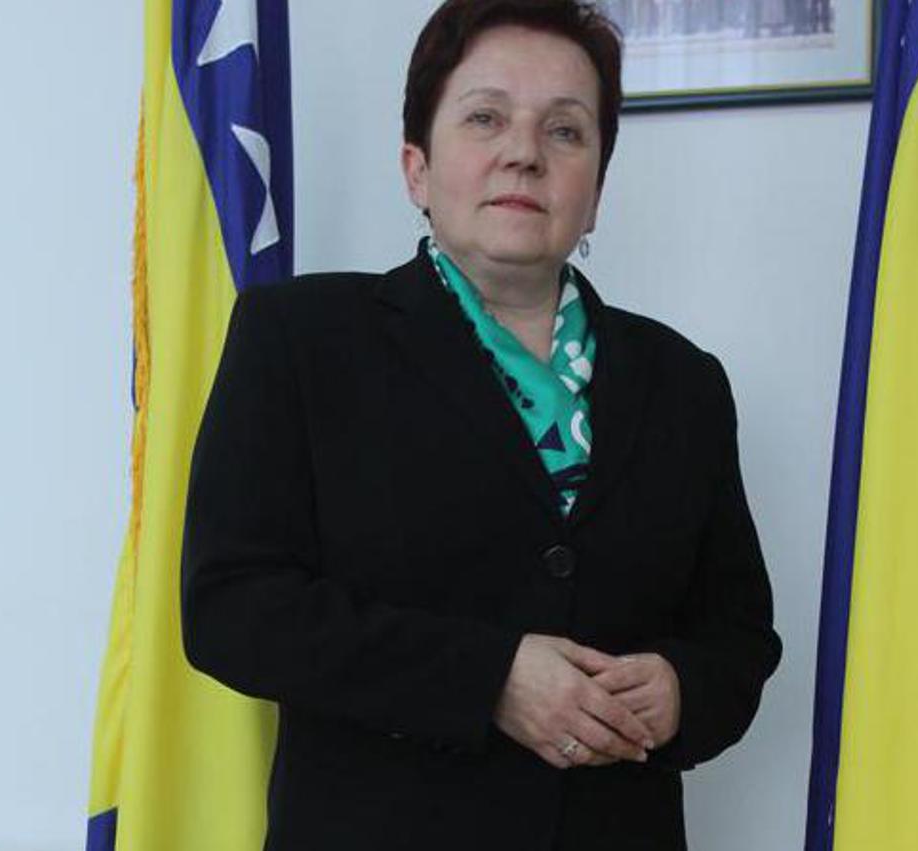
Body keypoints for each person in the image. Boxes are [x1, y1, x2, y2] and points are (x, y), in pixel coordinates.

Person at [180, 1, 781, 848]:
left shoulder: (685, 381)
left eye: (565, 131)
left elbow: (739, 636)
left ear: (597, 191)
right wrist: (489, 677)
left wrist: (683, 688)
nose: (525, 153)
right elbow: (232, 608)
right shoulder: (300, 339)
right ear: (417, 168)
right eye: (486, 118)